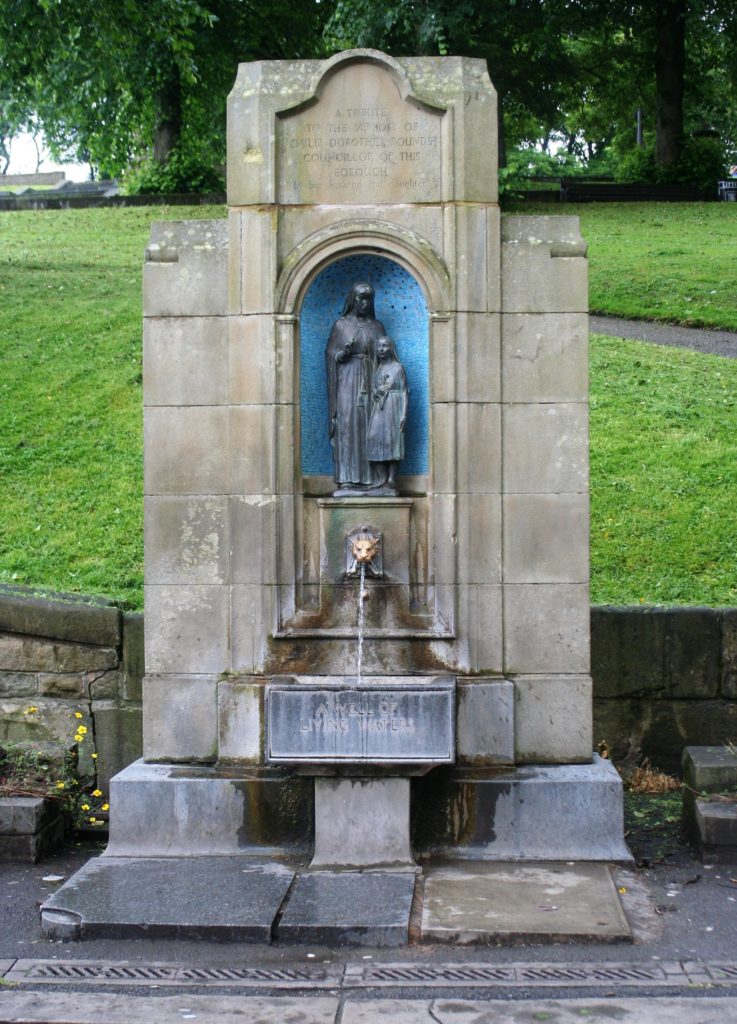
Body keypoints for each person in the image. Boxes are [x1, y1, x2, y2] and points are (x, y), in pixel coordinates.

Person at [325, 282, 386, 493]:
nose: (365, 302)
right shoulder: (341, 325)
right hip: (348, 379)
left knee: (372, 426)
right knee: (348, 424)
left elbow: (385, 356)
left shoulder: (377, 327)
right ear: (353, 299)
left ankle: (374, 479)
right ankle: (347, 478)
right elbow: (331, 356)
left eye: (368, 298)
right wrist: (342, 354)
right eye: (361, 297)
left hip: (371, 379)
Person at [366, 335, 408, 494]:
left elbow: (404, 391)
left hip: (395, 407)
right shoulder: (378, 369)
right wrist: (377, 392)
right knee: (374, 437)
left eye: (384, 346)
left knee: (393, 441)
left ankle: (391, 480)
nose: (381, 349)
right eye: (379, 346)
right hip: (380, 408)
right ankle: (380, 479)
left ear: (391, 348)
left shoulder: (398, 368)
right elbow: (374, 392)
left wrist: (404, 414)